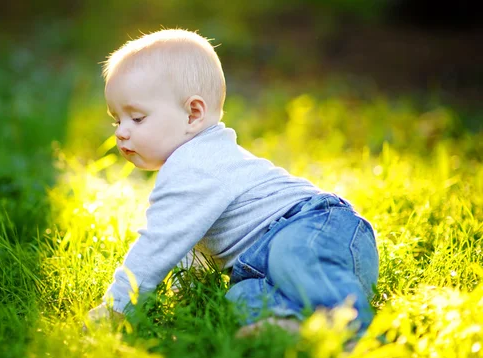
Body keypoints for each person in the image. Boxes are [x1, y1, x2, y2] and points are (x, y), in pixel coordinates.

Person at [88, 28, 379, 336]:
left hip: (317, 227)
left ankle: (353, 329)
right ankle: (298, 327)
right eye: (116, 120)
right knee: (239, 298)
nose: (121, 132)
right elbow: (186, 243)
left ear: (192, 114)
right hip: (272, 265)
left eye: (136, 118)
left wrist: (117, 306)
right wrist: (184, 292)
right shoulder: (191, 167)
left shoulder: (196, 163)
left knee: (291, 254)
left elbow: (159, 242)